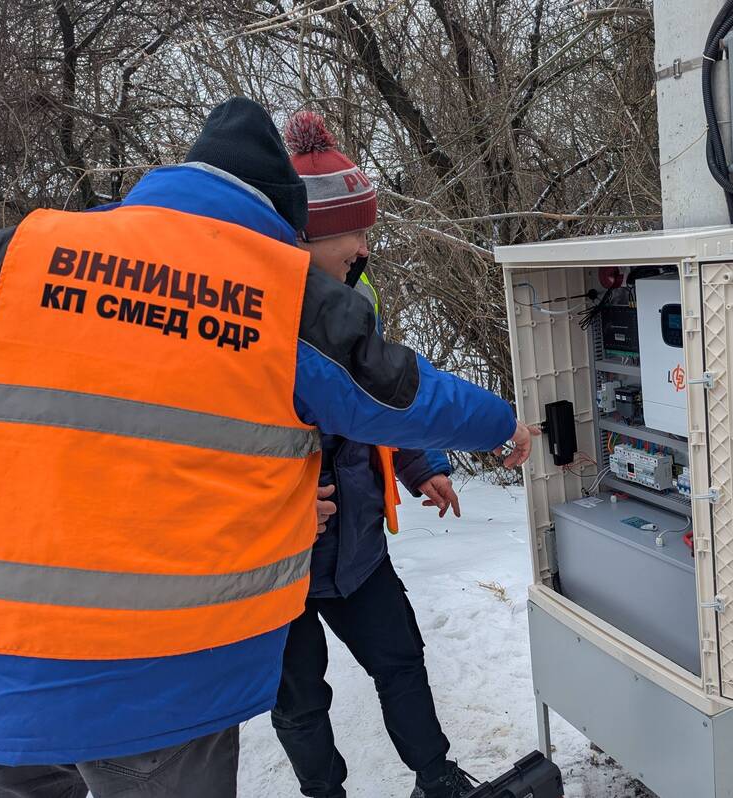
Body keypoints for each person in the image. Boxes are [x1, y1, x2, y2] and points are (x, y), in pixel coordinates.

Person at [0, 97, 536, 798]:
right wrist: (502, 423)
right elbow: (402, 394)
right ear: (283, 217)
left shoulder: (12, 259)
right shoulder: (274, 293)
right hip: (158, 687)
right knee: (302, 695)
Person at [268, 111, 476, 798]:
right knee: (300, 702)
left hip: (355, 542)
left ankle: (436, 776)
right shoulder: (248, 311)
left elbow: (379, 395)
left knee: (401, 659)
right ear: (301, 238)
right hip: (280, 562)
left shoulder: (363, 294)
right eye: (353, 233)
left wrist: (423, 464)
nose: (364, 248)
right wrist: (280, 494)